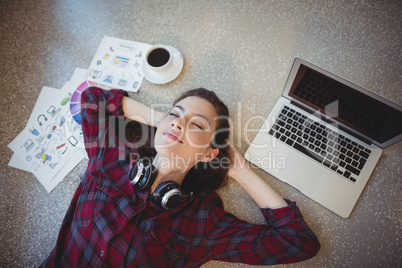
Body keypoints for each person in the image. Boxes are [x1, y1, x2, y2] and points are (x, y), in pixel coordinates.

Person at [41, 86, 320, 267]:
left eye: (197, 124)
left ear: (209, 153)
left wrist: (242, 172)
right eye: (176, 114)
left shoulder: (202, 224)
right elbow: (92, 99)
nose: (179, 122)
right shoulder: (112, 158)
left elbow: (297, 242)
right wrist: (165, 118)